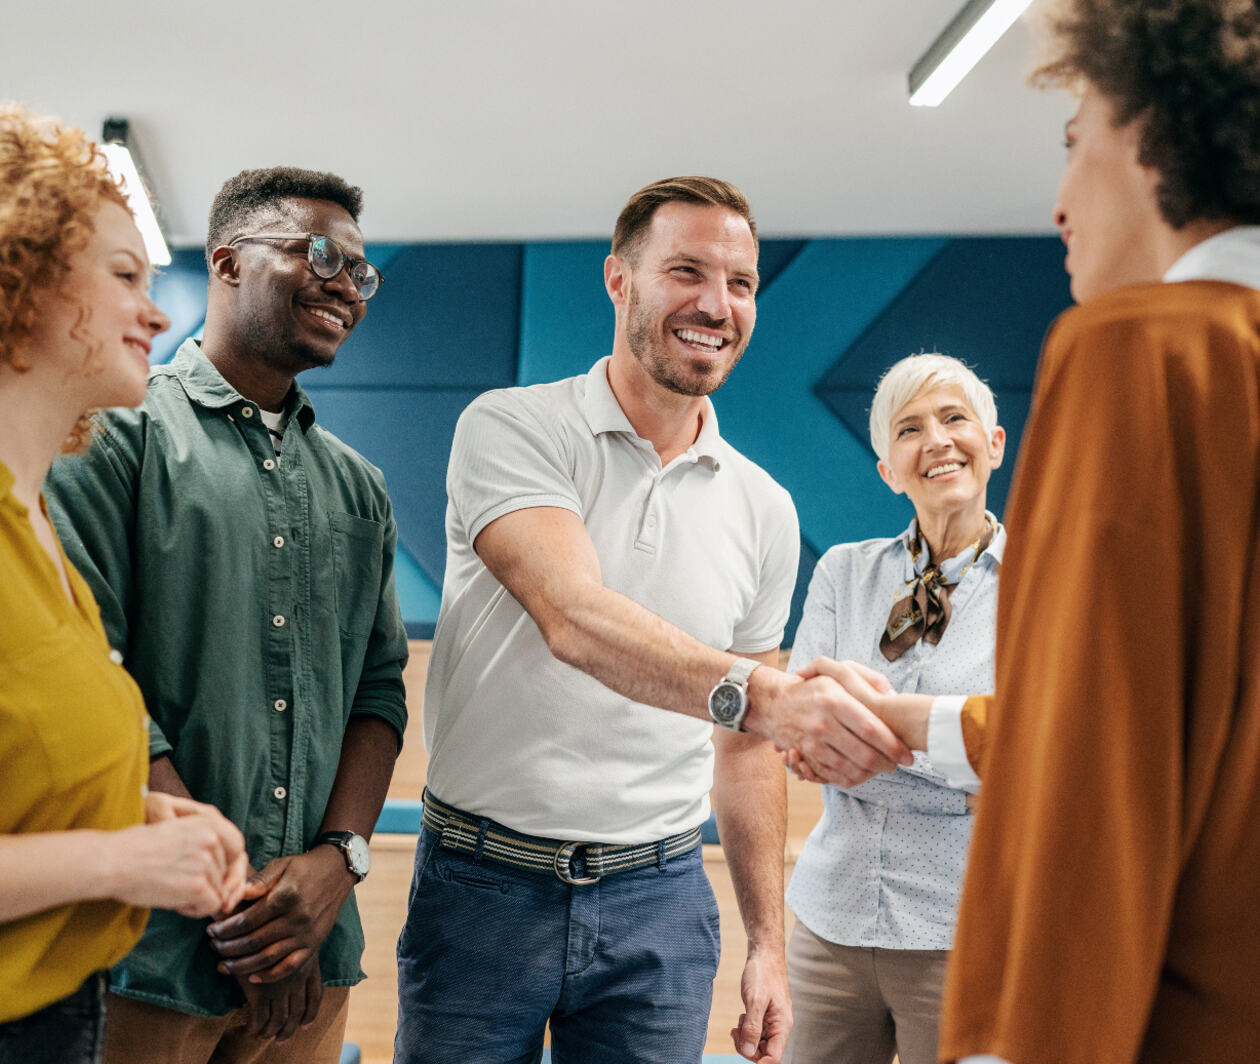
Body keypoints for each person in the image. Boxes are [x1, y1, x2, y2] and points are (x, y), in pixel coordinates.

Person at [807, 1, 1260, 1060]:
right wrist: (916, 726)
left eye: (1073, 144)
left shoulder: (1148, 352)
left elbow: (1095, 766)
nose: (1059, 203)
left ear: (1151, 133)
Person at [393, 175, 912, 1064]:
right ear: (618, 281)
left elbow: (742, 751)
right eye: (686, 272)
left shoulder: (765, 508)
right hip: (482, 886)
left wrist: (768, 947)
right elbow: (576, 618)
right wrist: (774, 698)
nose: (717, 304)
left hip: (659, 901)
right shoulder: (514, 427)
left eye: (741, 283)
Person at [45, 166, 409, 1064]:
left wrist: (336, 867)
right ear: (228, 262)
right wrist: (241, 908)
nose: (344, 285)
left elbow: (380, 692)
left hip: (317, 955)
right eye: (316, 252)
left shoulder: (360, 489)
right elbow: (95, 680)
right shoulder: (109, 436)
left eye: (360, 272)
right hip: (149, 950)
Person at [0, 105, 247, 1064]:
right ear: (18, 277)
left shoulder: (40, 523)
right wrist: (121, 858)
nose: (157, 311)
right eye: (124, 277)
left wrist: (130, 814)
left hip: (61, 1015)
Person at [781, 354, 1003, 1064]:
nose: (936, 440)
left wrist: (872, 729)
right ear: (888, 469)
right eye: (909, 428)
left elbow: (1035, 751)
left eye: (954, 418)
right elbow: (802, 738)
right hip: (830, 924)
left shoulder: (1049, 583)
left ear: (993, 444)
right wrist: (961, 744)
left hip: (964, 931)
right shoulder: (843, 572)